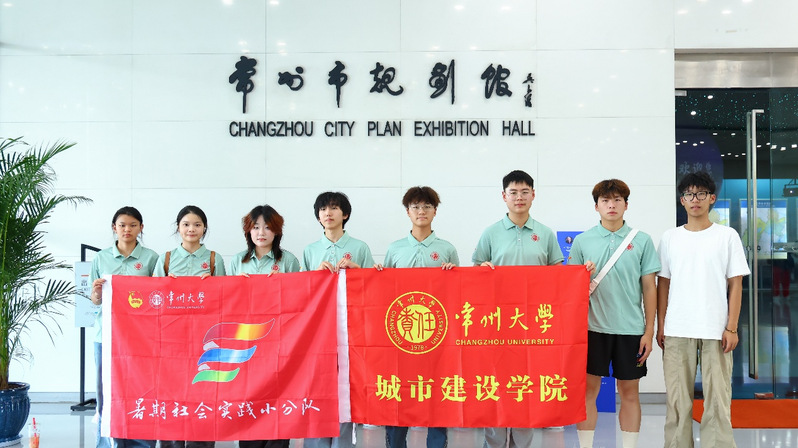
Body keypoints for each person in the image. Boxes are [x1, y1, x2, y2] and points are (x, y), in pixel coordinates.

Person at [657, 171, 750, 448]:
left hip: (715, 330)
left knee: (718, 400)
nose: (694, 199)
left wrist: (732, 327)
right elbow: (663, 285)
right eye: (689, 194)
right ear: (682, 200)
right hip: (677, 329)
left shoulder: (727, 236)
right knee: (677, 401)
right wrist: (662, 325)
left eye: (700, 194)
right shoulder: (670, 238)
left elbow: (736, 284)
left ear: (712, 198)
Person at [472, 170, 563, 448]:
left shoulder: (545, 233)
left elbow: (558, 275)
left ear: (533, 195)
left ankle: (523, 444)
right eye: (513, 192)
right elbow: (475, 272)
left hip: (533, 326)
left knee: (526, 386)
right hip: (497, 324)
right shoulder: (491, 233)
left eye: (525, 192)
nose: (519, 197)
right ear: (504, 196)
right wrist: (482, 269)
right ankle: (494, 443)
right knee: (496, 385)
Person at [567, 179, 660, 448]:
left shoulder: (642, 240)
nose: (611, 205)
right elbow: (570, 290)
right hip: (591, 329)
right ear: (596, 206)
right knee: (588, 392)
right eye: (605, 200)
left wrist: (649, 331)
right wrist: (584, 275)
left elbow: (649, 288)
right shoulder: (583, 241)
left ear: (626, 205)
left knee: (629, 393)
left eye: (617, 200)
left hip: (631, 330)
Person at [374, 186, 458, 448]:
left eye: (427, 206)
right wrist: (378, 275)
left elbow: (459, 293)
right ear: (407, 212)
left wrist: (453, 273)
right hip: (401, 338)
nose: (422, 211)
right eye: (416, 207)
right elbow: (385, 293)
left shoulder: (446, 249)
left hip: (438, 337)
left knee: (437, 394)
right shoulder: (395, 249)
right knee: (400, 393)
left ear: (435, 211)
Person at [302, 191, 374, 448]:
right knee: (318, 384)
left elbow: (373, 289)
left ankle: (343, 443)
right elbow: (300, 291)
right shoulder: (310, 250)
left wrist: (357, 271)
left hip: (351, 329)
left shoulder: (360, 247)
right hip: (318, 329)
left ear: (345, 214)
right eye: (323, 209)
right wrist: (315, 275)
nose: (328, 213)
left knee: (347, 387)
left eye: (334, 208)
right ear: (318, 216)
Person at [154, 205, 226, 448]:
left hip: (206, 340)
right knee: (171, 393)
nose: (191, 229)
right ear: (178, 228)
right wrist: (165, 285)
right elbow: (152, 297)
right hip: (172, 339)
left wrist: (213, 284)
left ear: (204, 228)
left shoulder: (214, 259)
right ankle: (171, 443)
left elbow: (227, 298)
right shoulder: (166, 259)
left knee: (203, 390)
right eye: (186, 224)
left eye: (197, 224)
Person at [89, 206, 159, 448]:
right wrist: (97, 292)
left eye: (132, 225)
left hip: (142, 338)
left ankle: (142, 443)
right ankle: (107, 443)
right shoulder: (101, 258)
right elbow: (95, 300)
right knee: (107, 392)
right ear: (114, 228)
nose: (127, 229)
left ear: (141, 228)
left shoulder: (151, 258)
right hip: (107, 336)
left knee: (142, 390)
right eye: (122, 225)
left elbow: (158, 296)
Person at [230, 205, 300, 448]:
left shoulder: (288, 260)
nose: (261, 232)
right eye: (256, 227)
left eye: (268, 227)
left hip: (280, 339)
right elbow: (225, 301)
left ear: (277, 231)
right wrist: (237, 286)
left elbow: (300, 300)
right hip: (246, 340)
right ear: (248, 231)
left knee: (279, 394)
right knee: (249, 394)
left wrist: (280, 287)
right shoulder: (237, 261)